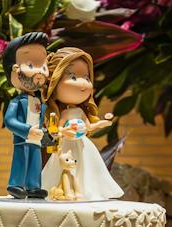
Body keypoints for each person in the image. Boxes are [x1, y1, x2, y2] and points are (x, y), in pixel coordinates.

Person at [40, 47, 123, 203]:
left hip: (83, 145)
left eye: (86, 77)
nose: (83, 84)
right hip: (66, 147)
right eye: (72, 76)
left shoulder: (80, 112)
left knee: (87, 169)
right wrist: (64, 131)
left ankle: (84, 191)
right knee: (63, 170)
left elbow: (89, 127)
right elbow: (57, 130)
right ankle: (63, 191)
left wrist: (102, 123)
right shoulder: (62, 113)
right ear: (53, 82)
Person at [1, 32, 52, 198]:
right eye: (31, 65)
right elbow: (9, 121)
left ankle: (33, 186)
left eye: (43, 66)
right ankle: (15, 184)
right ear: (14, 69)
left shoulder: (40, 102)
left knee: (35, 163)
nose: (40, 72)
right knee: (21, 161)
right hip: (23, 138)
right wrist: (26, 130)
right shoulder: (16, 102)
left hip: (36, 139)